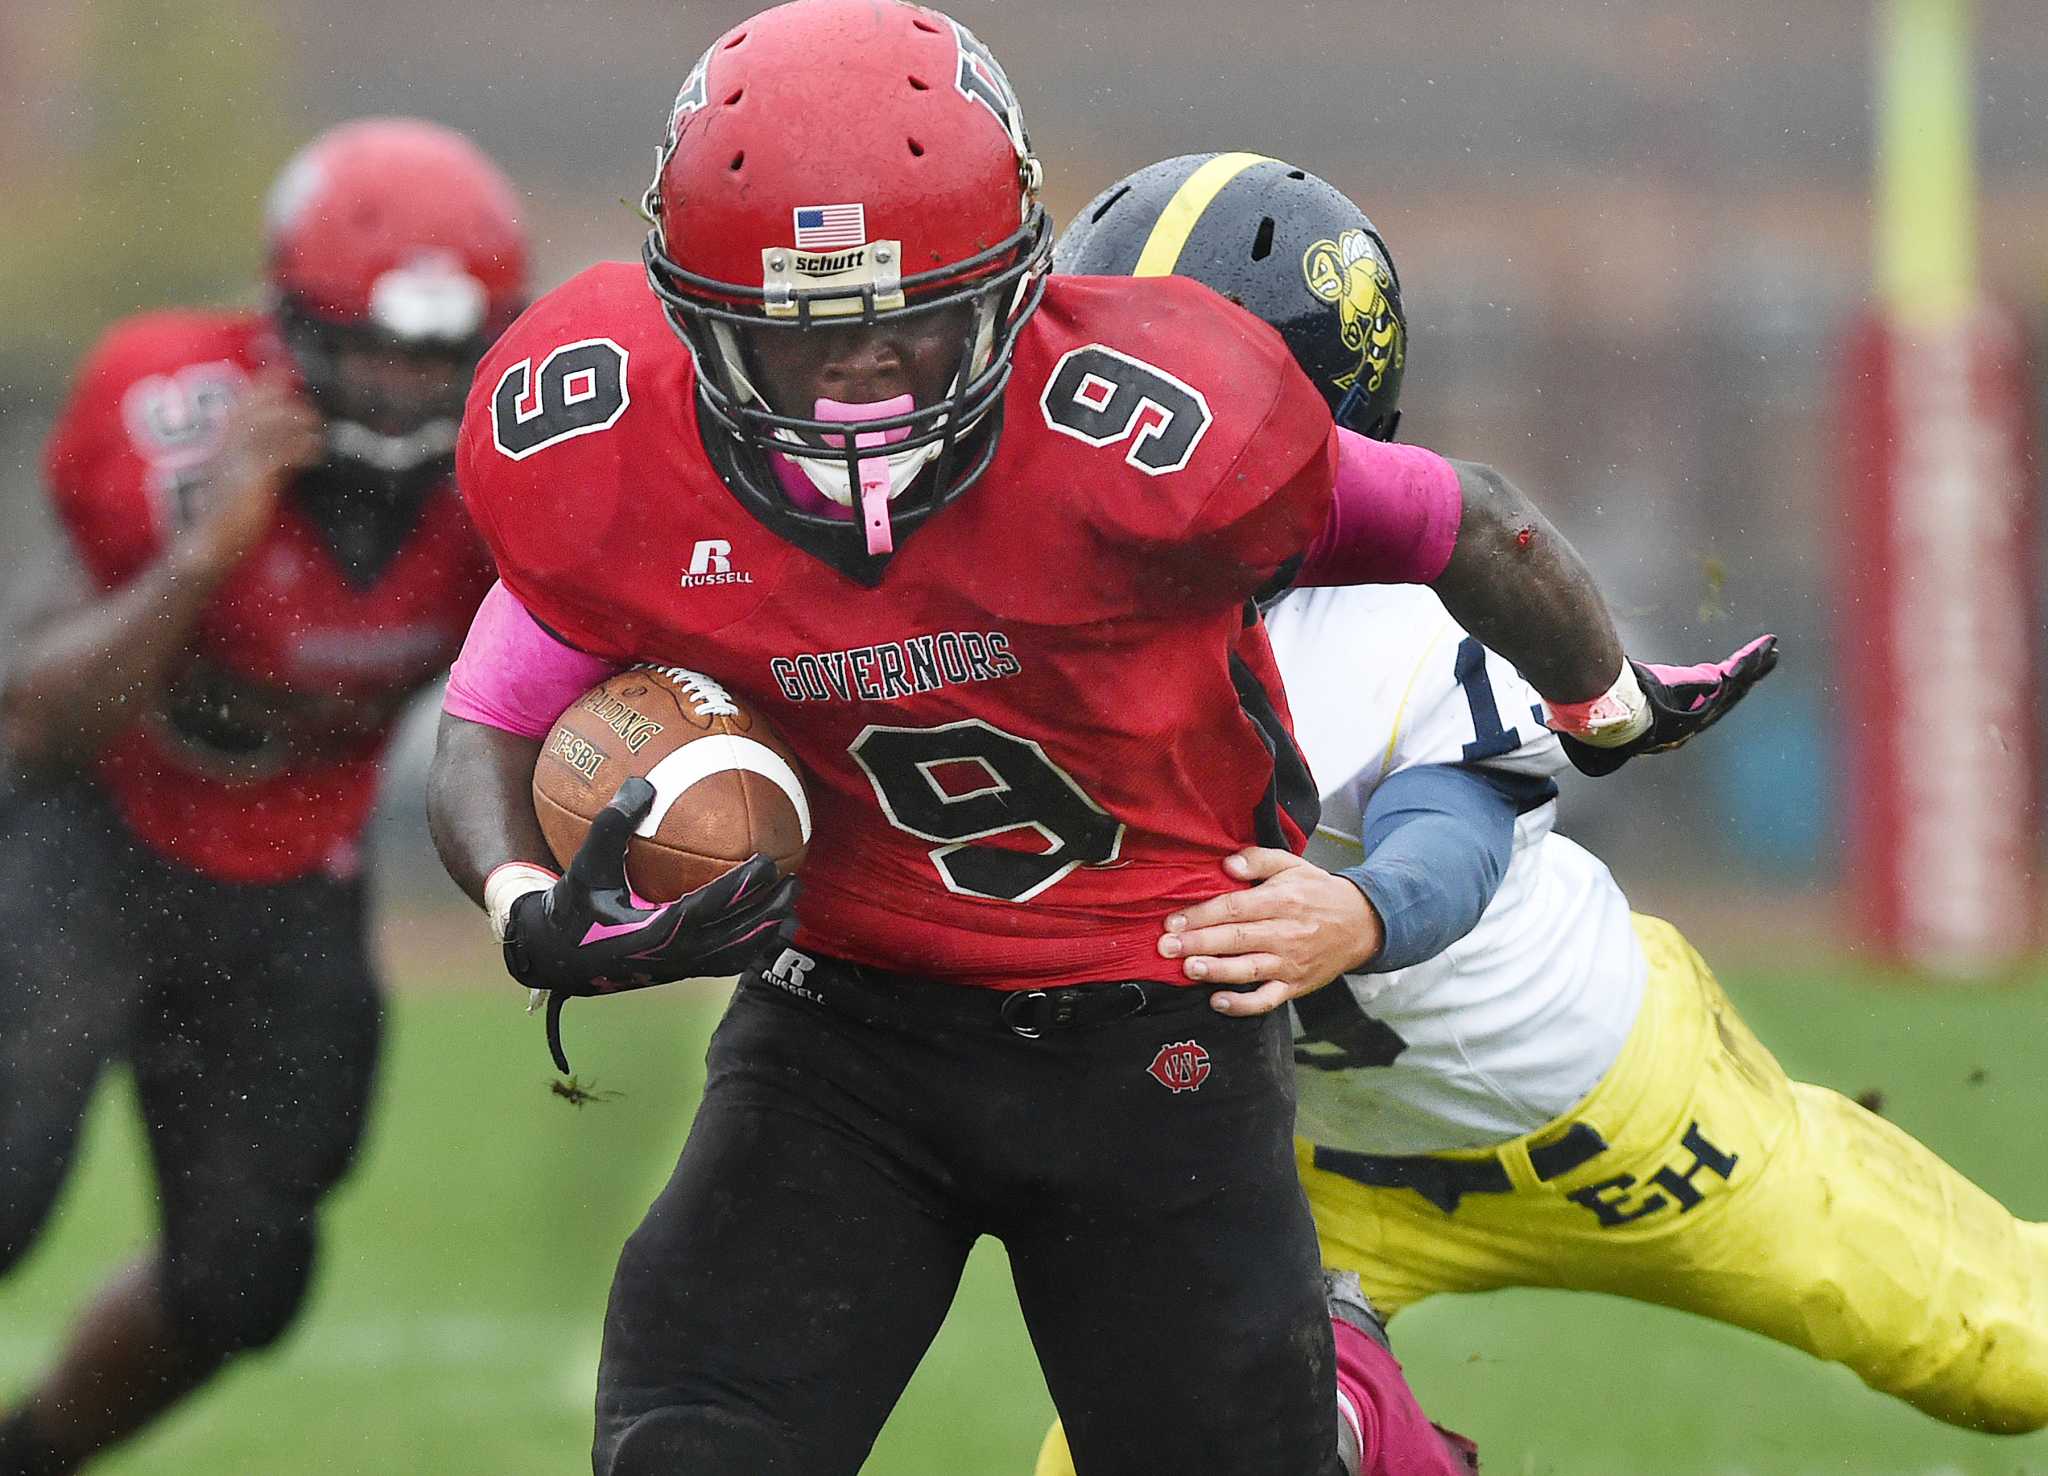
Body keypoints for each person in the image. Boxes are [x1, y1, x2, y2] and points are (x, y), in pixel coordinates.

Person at [426, 6, 1771, 1473]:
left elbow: (1467, 518)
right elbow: (483, 730)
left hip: (1154, 1034)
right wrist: (520, 904)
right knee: (696, 1449)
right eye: (800, 340)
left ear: (1015, 284)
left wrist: (1601, 701)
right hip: (847, 1029)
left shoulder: (1143, 433)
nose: (865, 386)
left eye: (913, 323)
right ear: (697, 318)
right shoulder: (628, 457)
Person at [1033, 153, 2048, 1476]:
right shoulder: (1021, 617)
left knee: (2004, 1353)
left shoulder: (1406, 613)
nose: (1096, 456)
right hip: (1310, 1173)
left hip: (1620, 1119)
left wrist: (1359, 908)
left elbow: (1450, 836)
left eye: (1155, 409)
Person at [0, 118, 527, 1475]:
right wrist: (195, 563)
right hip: (96, 837)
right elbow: (36, 726)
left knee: (248, 1279)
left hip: (293, 872)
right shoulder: (168, 410)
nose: (408, 390)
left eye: (437, 354)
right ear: (288, 322)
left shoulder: (513, 478)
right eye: (375, 347)